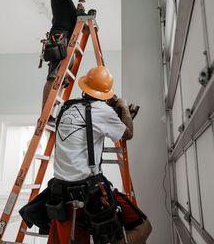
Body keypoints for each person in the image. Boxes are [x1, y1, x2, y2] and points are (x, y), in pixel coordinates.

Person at [47, 65, 152, 244]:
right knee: (144, 227)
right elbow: (128, 134)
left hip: (60, 190)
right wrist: (124, 108)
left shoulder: (66, 108)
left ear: (85, 87)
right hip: (90, 191)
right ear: (105, 94)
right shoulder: (102, 111)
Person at [42, 0, 87, 112]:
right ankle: (45, 113)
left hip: (68, 41)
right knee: (54, 76)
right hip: (59, 38)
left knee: (62, 80)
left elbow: (73, 23)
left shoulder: (67, 2)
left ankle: (51, 112)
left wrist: (79, 12)